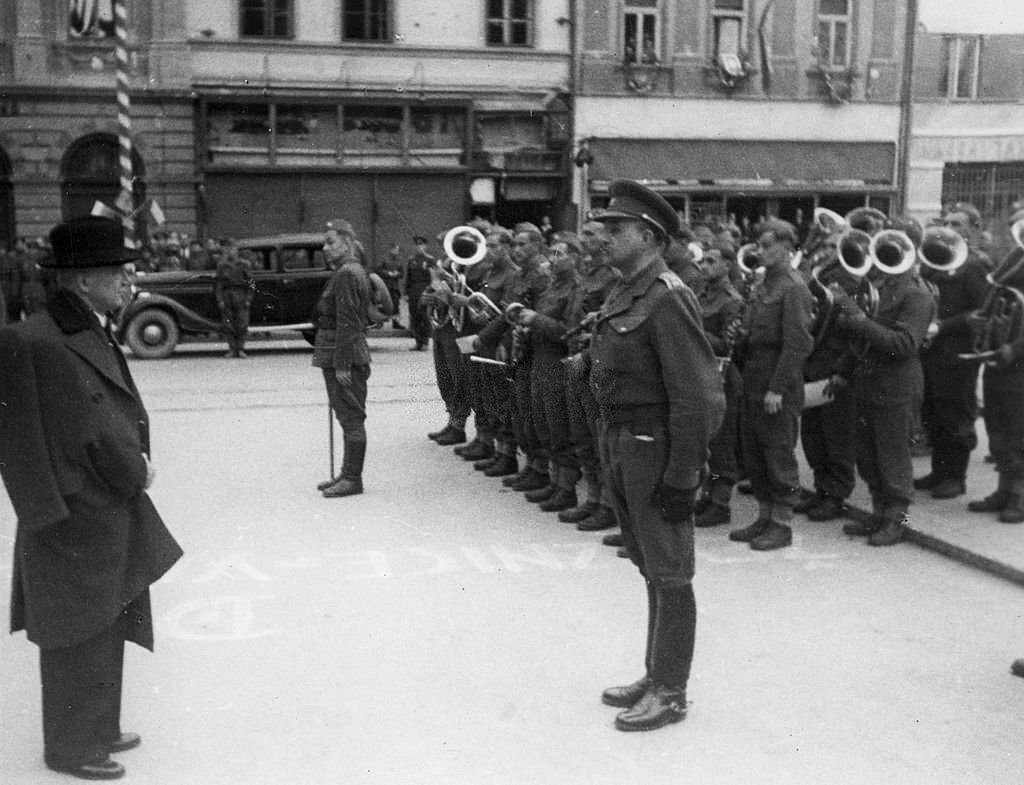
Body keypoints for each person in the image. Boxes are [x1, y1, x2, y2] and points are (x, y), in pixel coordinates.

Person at [0, 216, 183, 780]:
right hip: (73, 511)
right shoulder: (34, 339)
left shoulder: (80, 329)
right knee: (76, 631)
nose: (128, 282)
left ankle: (98, 728)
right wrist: (134, 471)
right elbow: (72, 429)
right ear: (82, 281)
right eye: (117, 273)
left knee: (109, 619)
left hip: (101, 504)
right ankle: (71, 748)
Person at [589, 180, 724, 732]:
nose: (602, 237)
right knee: (649, 566)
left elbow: (700, 395)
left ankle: (672, 691)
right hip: (622, 442)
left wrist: (683, 474)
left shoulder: (668, 296)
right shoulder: (624, 290)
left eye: (614, 229)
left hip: (653, 449)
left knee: (671, 572)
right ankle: (655, 672)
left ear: (648, 236)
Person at [728, 220, 814, 551]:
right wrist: (743, 335)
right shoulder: (763, 286)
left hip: (777, 383)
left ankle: (782, 524)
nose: (759, 251)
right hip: (753, 378)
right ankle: (764, 516)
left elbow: (797, 344)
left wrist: (777, 388)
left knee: (778, 454)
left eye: (767, 246)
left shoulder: (793, 288)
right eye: (759, 245)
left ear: (787, 249)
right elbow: (756, 333)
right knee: (755, 453)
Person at [314, 219, 373, 498]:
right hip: (339, 353)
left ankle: (352, 478)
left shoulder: (348, 273)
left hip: (344, 356)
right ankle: (346, 473)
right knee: (346, 415)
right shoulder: (347, 271)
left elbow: (348, 322)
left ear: (347, 242)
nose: (325, 248)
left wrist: (342, 364)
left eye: (331, 242)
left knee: (351, 418)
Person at [214, 239, 254, 358]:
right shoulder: (222, 265)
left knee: (242, 324)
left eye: (233, 249)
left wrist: (248, 299)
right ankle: (232, 349)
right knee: (228, 324)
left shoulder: (245, 264)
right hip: (227, 295)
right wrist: (220, 299)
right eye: (228, 249)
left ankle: (241, 349)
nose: (230, 252)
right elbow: (218, 284)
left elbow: (251, 283)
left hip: (241, 294)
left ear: (237, 251)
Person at [403, 235, 434, 351]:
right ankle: (418, 342)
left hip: (425, 290)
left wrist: (431, 291)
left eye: (421, 245)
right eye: (417, 245)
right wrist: (406, 292)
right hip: (413, 291)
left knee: (424, 316)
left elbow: (432, 278)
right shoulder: (412, 260)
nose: (419, 247)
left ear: (425, 246)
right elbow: (408, 277)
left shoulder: (430, 260)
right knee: (414, 316)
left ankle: (425, 341)